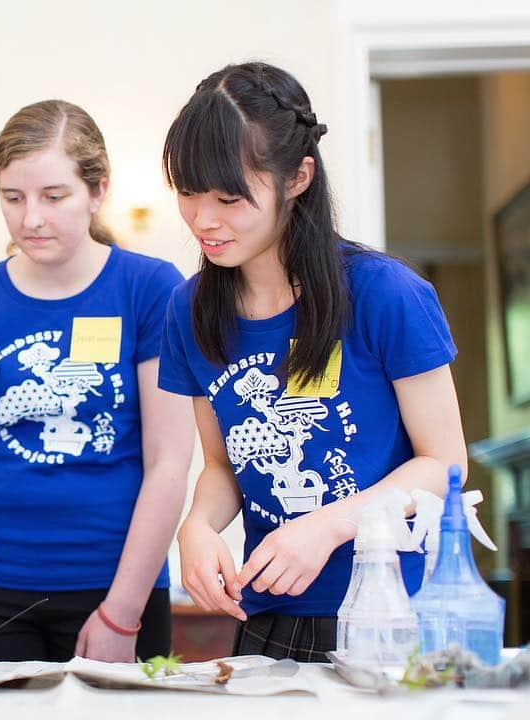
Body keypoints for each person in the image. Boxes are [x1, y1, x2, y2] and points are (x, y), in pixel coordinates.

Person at [158, 62, 467, 661]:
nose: (203, 219)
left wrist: (328, 526)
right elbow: (223, 464)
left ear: (297, 178)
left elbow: (445, 464)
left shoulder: (385, 294)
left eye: (228, 197)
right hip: (268, 610)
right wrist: (197, 527)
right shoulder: (189, 309)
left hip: (389, 612)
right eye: (187, 193)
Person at [0, 100, 194, 662]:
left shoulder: (150, 289)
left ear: (98, 192)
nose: (31, 219)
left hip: (117, 584)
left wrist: (123, 613)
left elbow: (169, 461)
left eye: (54, 196)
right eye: (13, 197)